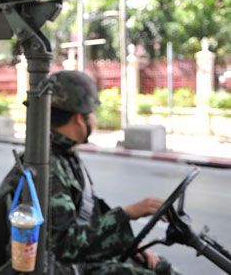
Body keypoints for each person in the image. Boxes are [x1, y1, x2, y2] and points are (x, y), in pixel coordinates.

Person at [48, 70, 168, 274]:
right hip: (70, 267)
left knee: (162, 267)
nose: (94, 120)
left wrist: (131, 244)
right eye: (92, 114)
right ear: (79, 119)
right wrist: (127, 214)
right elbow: (64, 246)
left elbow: (89, 212)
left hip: (83, 259)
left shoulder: (65, 155)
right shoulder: (49, 167)